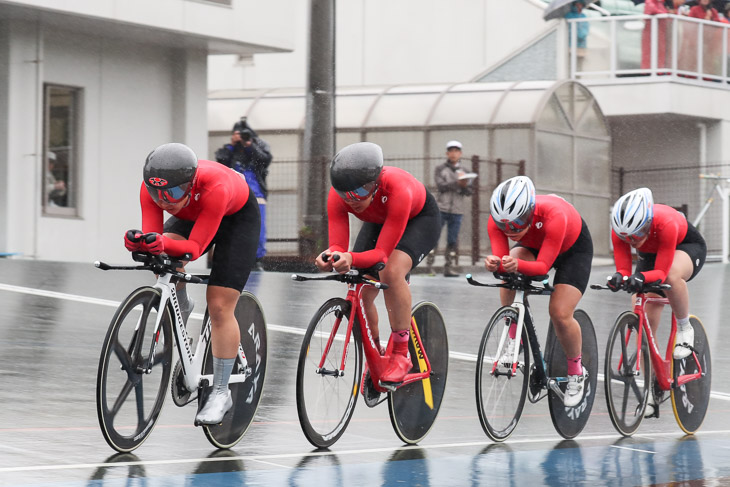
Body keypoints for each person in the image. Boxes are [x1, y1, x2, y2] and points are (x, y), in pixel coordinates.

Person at [124, 142, 260, 425]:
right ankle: (181, 305)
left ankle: (221, 393)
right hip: (197, 214)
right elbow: (156, 242)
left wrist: (161, 242)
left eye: (172, 192)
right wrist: (143, 243)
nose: (164, 200)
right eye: (156, 193)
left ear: (191, 184)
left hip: (236, 219)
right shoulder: (154, 189)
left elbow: (194, 248)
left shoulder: (215, 187)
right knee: (161, 260)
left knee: (220, 306)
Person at [315, 142, 441, 387]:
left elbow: (381, 255)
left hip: (418, 220)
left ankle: (400, 354)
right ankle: (377, 353)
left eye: (360, 193)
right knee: (360, 286)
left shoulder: (398, 189)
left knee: (391, 272)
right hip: (380, 218)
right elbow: (339, 246)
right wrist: (331, 257)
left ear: (375, 183)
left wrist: (351, 257)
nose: (353, 201)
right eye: (346, 195)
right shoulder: (341, 195)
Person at [485, 176, 593, 408]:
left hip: (573, 250)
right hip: (534, 244)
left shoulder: (554, 216)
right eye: (504, 226)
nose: (510, 231)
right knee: (509, 268)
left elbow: (543, 268)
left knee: (560, 313)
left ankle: (576, 371)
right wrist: (495, 263)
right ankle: (514, 336)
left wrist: (518, 266)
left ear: (530, 212)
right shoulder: (497, 221)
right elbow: (504, 263)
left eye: (516, 223)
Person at [607, 187, 706, 416]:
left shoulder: (666, 223)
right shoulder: (622, 229)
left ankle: (684, 328)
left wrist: (641, 277)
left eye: (637, 233)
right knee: (643, 314)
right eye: (627, 238)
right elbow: (623, 267)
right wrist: (619, 277)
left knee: (671, 275)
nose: (633, 241)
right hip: (652, 253)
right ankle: (653, 382)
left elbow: (660, 272)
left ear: (648, 221)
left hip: (685, 247)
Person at [215, 118, 272, 271]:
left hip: (256, 195)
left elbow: (265, 160)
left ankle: (256, 260)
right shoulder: (230, 150)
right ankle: (233, 257)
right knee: (231, 227)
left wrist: (249, 145)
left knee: (258, 229)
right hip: (233, 196)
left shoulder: (257, 147)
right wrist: (233, 145)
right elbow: (220, 160)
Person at [426, 140, 473, 277]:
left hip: (457, 210)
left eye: (456, 151)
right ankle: (429, 266)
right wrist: (457, 183)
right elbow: (441, 186)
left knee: (452, 239)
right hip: (441, 208)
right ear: (447, 153)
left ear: (461, 153)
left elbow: (469, 191)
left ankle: (448, 267)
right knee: (434, 236)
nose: (454, 154)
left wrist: (464, 186)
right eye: (451, 151)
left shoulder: (465, 171)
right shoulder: (440, 169)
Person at [565, 1, 590, 72]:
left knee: (579, 67)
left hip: (581, 46)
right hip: (570, 45)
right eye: (577, 5)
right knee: (570, 66)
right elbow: (569, 30)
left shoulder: (583, 16)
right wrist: (578, 33)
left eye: (581, 5)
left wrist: (582, 34)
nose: (579, 6)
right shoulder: (569, 16)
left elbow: (586, 30)